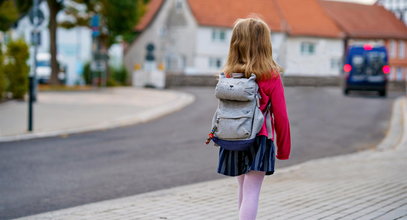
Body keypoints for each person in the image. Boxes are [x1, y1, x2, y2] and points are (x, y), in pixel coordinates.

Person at [216, 17, 291, 220]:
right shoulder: (270, 76)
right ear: (265, 44)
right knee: (252, 192)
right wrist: (283, 150)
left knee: (242, 188)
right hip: (259, 139)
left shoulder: (228, 75)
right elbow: (281, 117)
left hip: (233, 138)